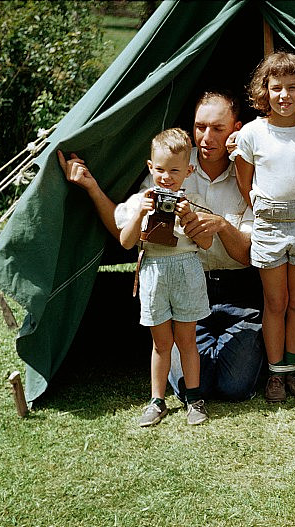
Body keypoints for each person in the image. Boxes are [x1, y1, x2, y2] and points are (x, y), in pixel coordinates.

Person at [58, 90, 264, 409]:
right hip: (183, 291)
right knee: (189, 387)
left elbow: (249, 255)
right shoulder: (174, 163)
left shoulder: (247, 171)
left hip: (238, 294)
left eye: (218, 129)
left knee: (234, 386)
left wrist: (222, 226)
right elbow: (125, 227)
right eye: (200, 127)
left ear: (237, 127)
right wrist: (91, 186)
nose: (207, 137)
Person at [230, 52, 295, 403]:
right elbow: (244, 181)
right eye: (276, 88)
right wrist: (262, 210)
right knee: (275, 301)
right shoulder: (253, 133)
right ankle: (274, 373)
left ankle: (293, 371)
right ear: (264, 91)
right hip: (269, 226)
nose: (284, 95)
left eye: (292, 88)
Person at [114, 128, 211, 426]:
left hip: (186, 269)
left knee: (187, 341)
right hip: (154, 271)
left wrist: (189, 217)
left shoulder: (192, 200)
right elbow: (126, 242)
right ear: (149, 167)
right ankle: (157, 401)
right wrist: (138, 214)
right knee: (160, 343)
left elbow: (205, 244)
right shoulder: (142, 200)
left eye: (174, 170)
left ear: (189, 171)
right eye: (160, 169)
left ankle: (194, 399)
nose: (166, 177)